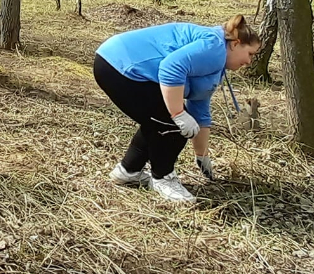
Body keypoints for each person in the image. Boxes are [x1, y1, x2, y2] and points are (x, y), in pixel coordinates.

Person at [92, 15, 261, 204]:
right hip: (120, 64)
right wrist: (178, 114)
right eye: (251, 54)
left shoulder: (216, 63)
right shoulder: (214, 48)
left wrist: (202, 155)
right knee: (172, 124)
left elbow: (201, 112)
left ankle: (128, 171)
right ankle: (163, 179)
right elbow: (170, 68)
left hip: (112, 61)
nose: (249, 62)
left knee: (158, 121)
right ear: (235, 44)